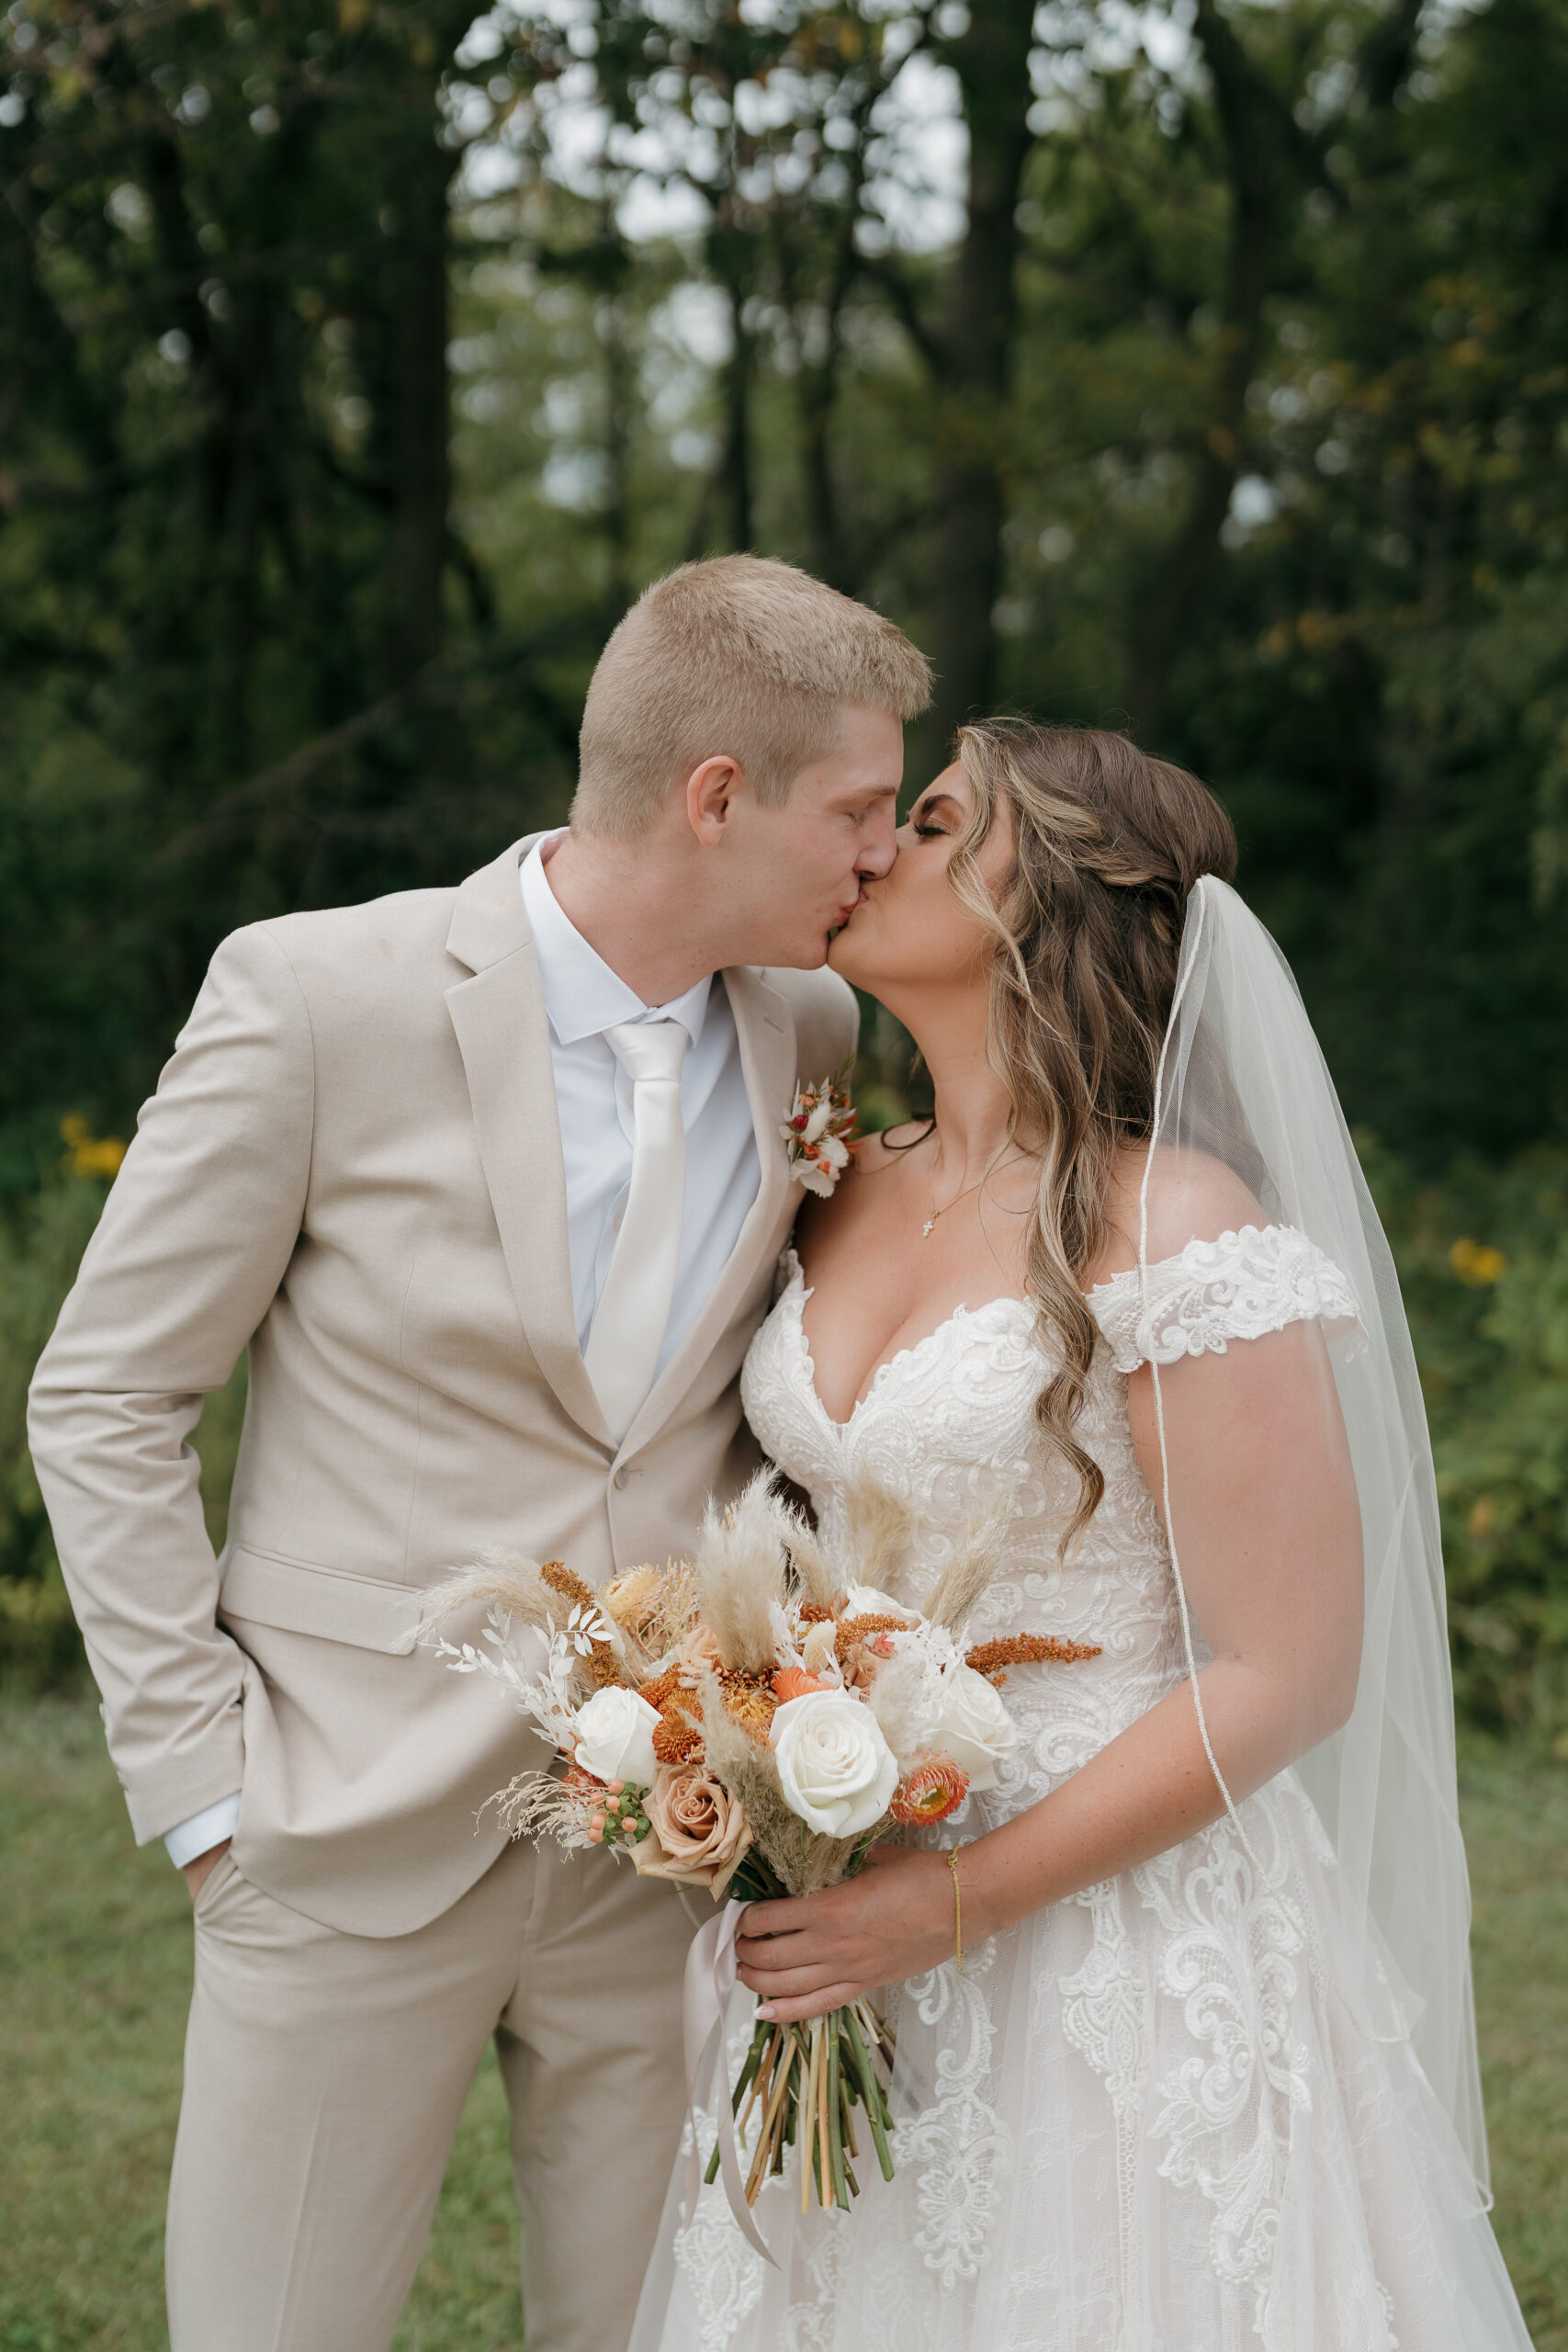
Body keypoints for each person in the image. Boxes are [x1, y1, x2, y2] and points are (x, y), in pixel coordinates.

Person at [26, 555, 931, 2352]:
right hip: (339, 1827)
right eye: (857, 805)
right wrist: (207, 1794)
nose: (887, 850)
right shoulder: (312, 998)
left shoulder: (812, 1031)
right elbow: (104, 1394)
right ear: (713, 797)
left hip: (669, 1860)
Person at [631, 721, 1535, 2350]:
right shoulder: (831, 1177)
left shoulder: (1176, 1222)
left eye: (927, 821)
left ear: (1036, 890)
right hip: (854, 1875)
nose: (870, 851)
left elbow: (1285, 1672)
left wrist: (955, 1901)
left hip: (1117, 1928)